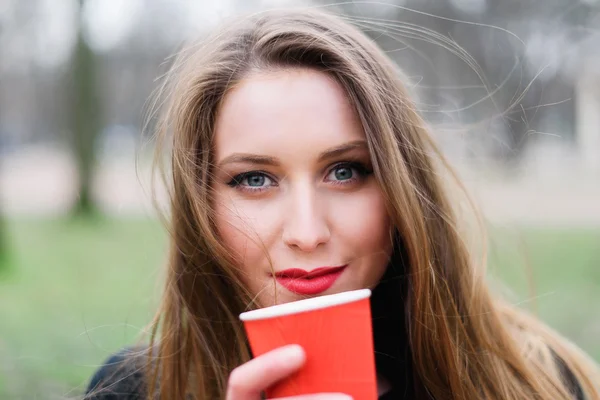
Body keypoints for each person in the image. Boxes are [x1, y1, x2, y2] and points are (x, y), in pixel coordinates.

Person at [85, 8, 600, 400]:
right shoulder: (132, 389)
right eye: (255, 179)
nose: (307, 233)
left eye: (345, 171)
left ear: (401, 188)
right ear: (201, 204)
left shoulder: (538, 381)